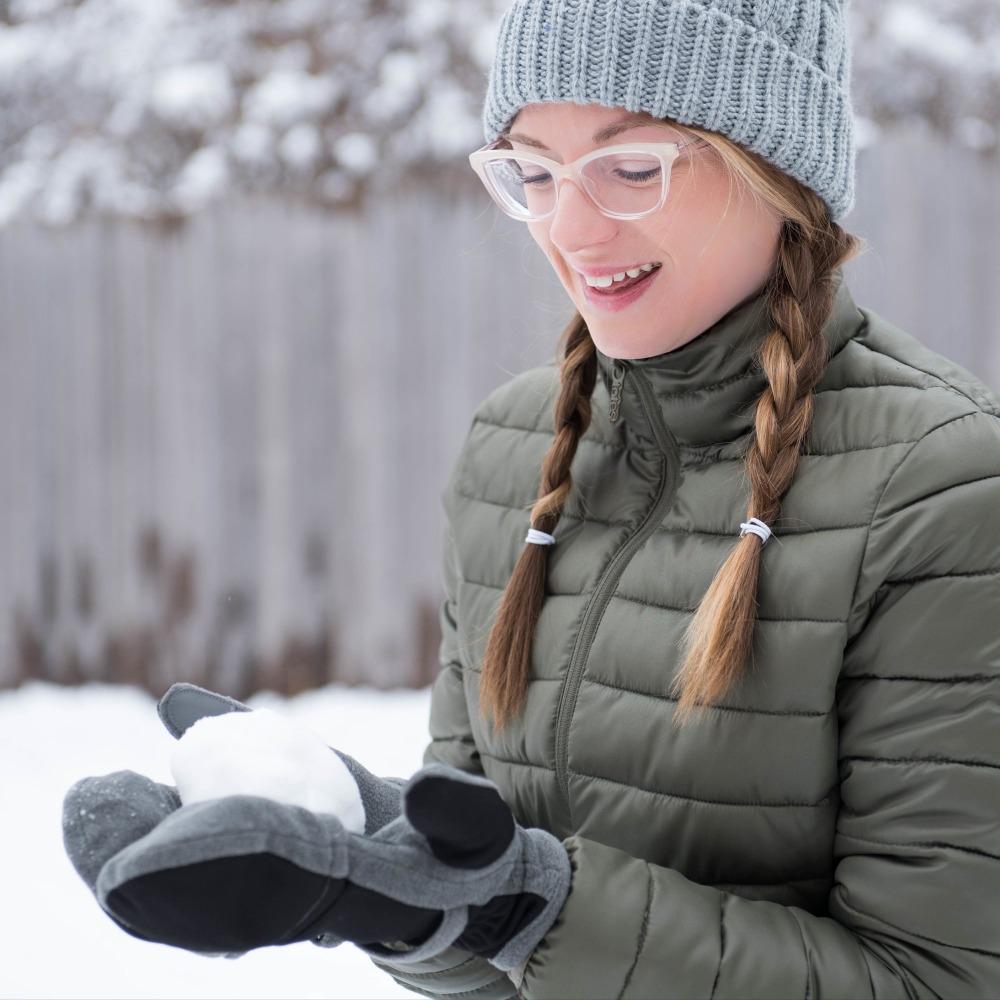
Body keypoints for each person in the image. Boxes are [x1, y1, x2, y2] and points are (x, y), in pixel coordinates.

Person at [62, 1, 1000, 997]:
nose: (569, 225)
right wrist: (379, 870)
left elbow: (937, 979)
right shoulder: (510, 456)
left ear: (778, 167)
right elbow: (486, 954)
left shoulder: (940, 490)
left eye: (630, 167)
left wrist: (527, 906)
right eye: (533, 171)